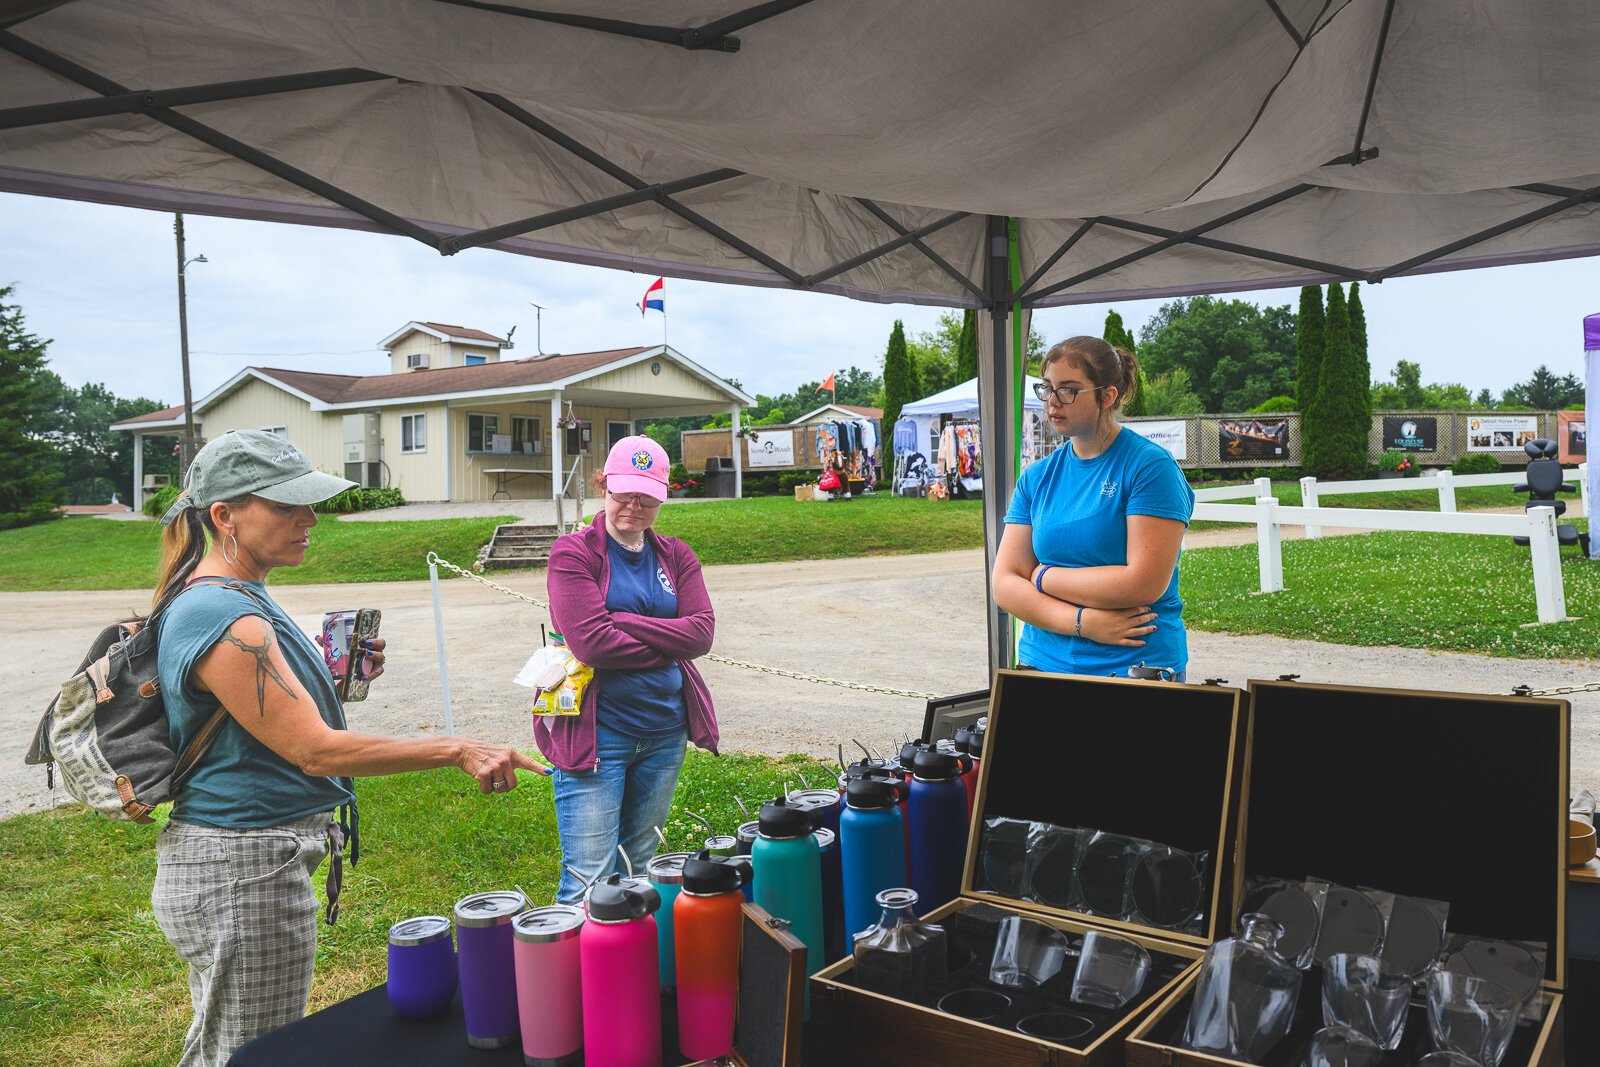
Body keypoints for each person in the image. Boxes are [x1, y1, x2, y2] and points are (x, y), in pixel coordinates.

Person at [150, 430, 545, 1066]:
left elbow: (256, 722)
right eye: (284, 505)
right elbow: (315, 751)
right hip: (242, 869)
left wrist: (333, 679)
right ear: (223, 515)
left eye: (309, 503)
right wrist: (457, 749)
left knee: (228, 1046)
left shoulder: (236, 599)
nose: (309, 519)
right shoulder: (222, 614)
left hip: (246, 861)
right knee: (254, 1055)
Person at [542, 435, 718, 903]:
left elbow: (701, 633)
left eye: (647, 497)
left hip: (665, 731)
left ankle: (630, 974)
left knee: (640, 866)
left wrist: (622, 620)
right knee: (590, 881)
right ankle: (576, 978)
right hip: (600, 734)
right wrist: (666, 636)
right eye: (624, 494)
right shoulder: (573, 554)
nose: (633, 506)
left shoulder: (676, 555)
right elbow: (591, 643)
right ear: (604, 486)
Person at [993, 336, 1195, 679]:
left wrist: (1043, 576)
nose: (1052, 402)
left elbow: (1143, 583)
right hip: (1042, 664)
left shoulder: (1149, 467)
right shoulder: (1037, 476)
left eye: (1068, 390)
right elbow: (1005, 583)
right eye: (1047, 388)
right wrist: (1083, 623)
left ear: (1107, 396)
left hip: (1133, 667)